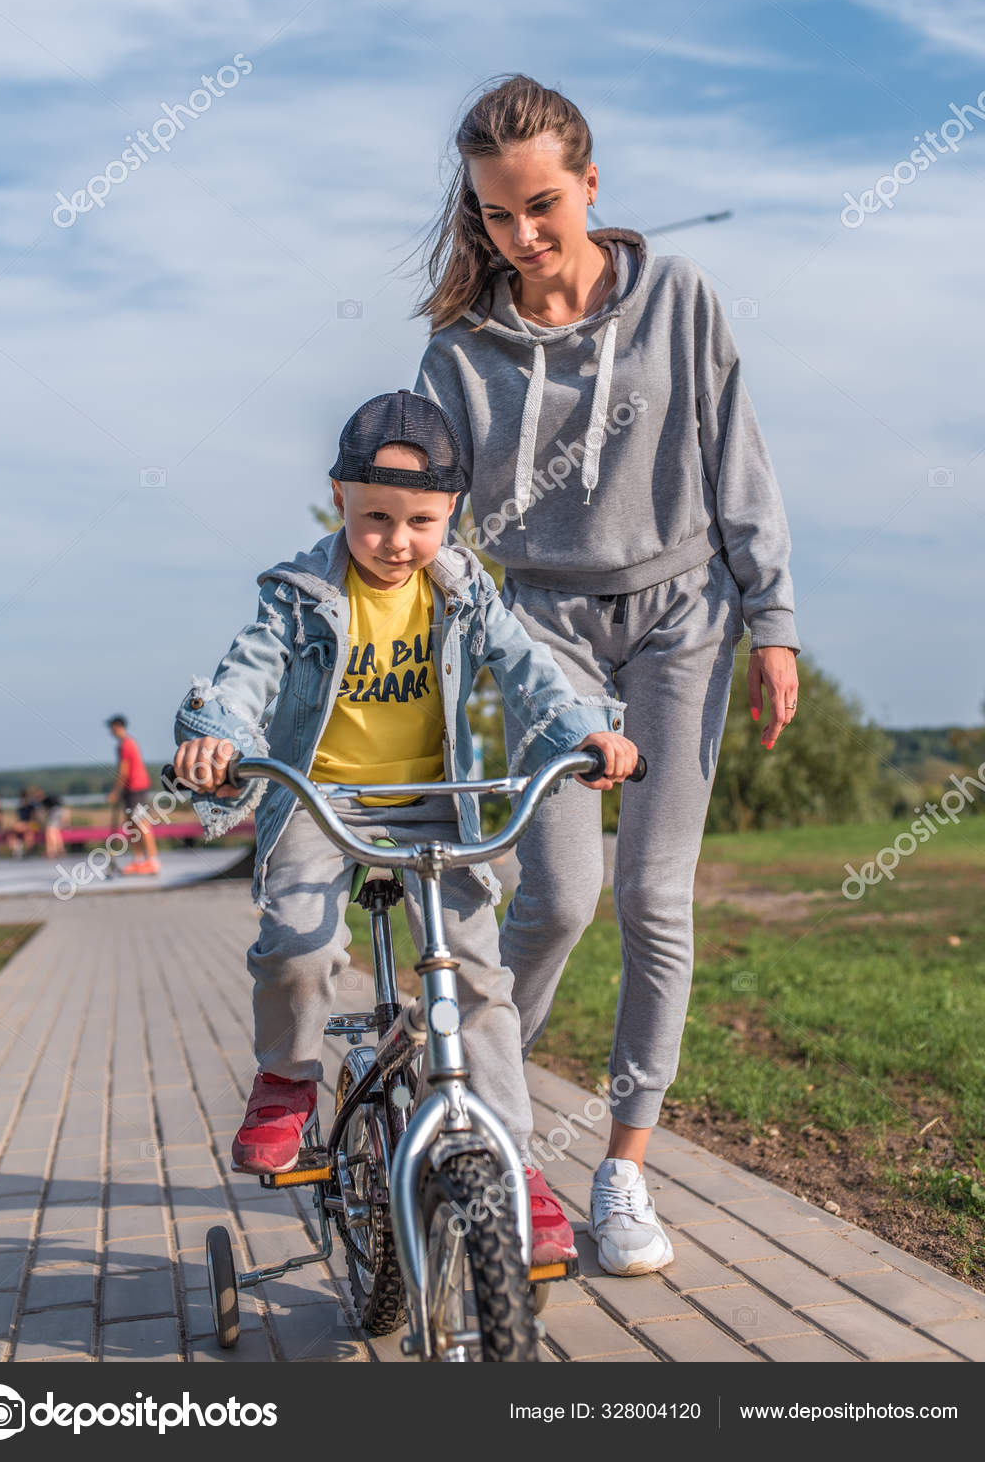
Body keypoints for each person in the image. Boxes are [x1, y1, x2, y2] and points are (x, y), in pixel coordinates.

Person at [413, 74, 801, 1278]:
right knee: (561, 899)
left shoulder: (680, 298)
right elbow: (429, 530)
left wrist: (773, 619)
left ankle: (625, 1167)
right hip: (546, 637)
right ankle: (483, 1118)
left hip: (687, 611)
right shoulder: (460, 353)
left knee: (656, 898)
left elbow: (736, 456)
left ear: (591, 184)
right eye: (494, 216)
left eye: (542, 206)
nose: (522, 237)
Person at [170, 390, 639, 1266]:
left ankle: (509, 1161)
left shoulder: (465, 594)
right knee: (298, 946)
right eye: (375, 517)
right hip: (321, 800)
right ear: (339, 497)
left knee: (478, 980)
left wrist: (585, 732)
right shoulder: (302, 597)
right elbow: (245, 676)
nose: (396, 541)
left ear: (451, 513)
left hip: (433, 801)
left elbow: (532, 670)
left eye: (420, 521)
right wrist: (218, 741)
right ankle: (287, 1078)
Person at [106, 716, 160, 875]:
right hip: (130, 790)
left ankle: (152, 860)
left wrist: (115, 793)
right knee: (132, 825)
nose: (110, 731)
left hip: (136, 788)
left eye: (111, 727)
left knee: (142, 824)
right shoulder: (126, 743)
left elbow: (124, 771)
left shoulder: (126, 744)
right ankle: (138, 860)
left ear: (117, 726)